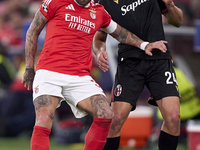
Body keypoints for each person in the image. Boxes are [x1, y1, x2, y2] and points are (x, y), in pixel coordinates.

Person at [22, 0, 167, 149]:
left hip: (79, 76)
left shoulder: (99, 11)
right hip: (49, 71)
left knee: (105, 114)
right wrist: (29, 68)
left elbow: (120, 33)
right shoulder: (56, 2)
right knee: (44, 118)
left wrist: (144, 45)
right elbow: (33, 30)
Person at [92, 0, 183, 150]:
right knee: (116, 119)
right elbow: (99, 38)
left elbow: (178, 21)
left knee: (173, 117)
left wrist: (171, 6)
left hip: (159, 59)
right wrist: (99, 51)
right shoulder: (105, 3)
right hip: (129, 63)